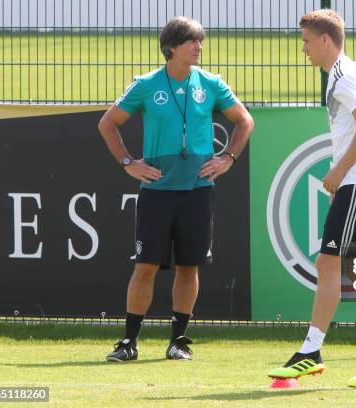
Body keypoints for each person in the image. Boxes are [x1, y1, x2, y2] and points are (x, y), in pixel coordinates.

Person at [98, 16, 254, 362]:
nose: (199, 47)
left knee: (189, 268)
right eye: (191, 42)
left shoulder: (211, 83)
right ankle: (128, 342)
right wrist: (129, 163)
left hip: (198, 190)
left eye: (199, 41)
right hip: (157, 192)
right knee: (146, 266)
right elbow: (107, 123)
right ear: (172, 48)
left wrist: (227, 157)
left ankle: (178, 341)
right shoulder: (146, 85)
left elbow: (245, 121)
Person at [267, 9, 356, 387]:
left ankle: (310, 351)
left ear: (325, 40)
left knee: (328, 263)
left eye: (307, 41)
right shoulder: (353, 73)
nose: (304, 50)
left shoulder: (342, 75)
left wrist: (341, 173)